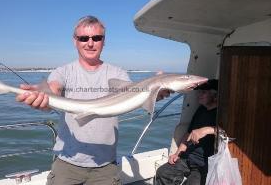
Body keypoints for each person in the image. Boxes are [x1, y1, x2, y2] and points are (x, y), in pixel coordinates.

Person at [16, 15, 169, 185]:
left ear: (104, 41)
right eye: (83, 38)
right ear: (75, 41)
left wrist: (154, 92)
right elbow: (54, 89)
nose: (90, 43)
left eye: (97, 38)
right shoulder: (63, 71)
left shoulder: (117, 74)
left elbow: (135, 95)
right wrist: (42, 96)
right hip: (67, 163)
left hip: (105, 166)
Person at [155, 79, 218, 185]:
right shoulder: (201, 110)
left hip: (203, 165)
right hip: (188, 158)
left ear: (215, 96)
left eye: (204, 92)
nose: (199, 95)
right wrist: (177, 154)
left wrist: (207, 130)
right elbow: (188, 134)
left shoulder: (221, 113)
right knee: (163, 173)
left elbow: (227, 133)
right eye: (199, 92)